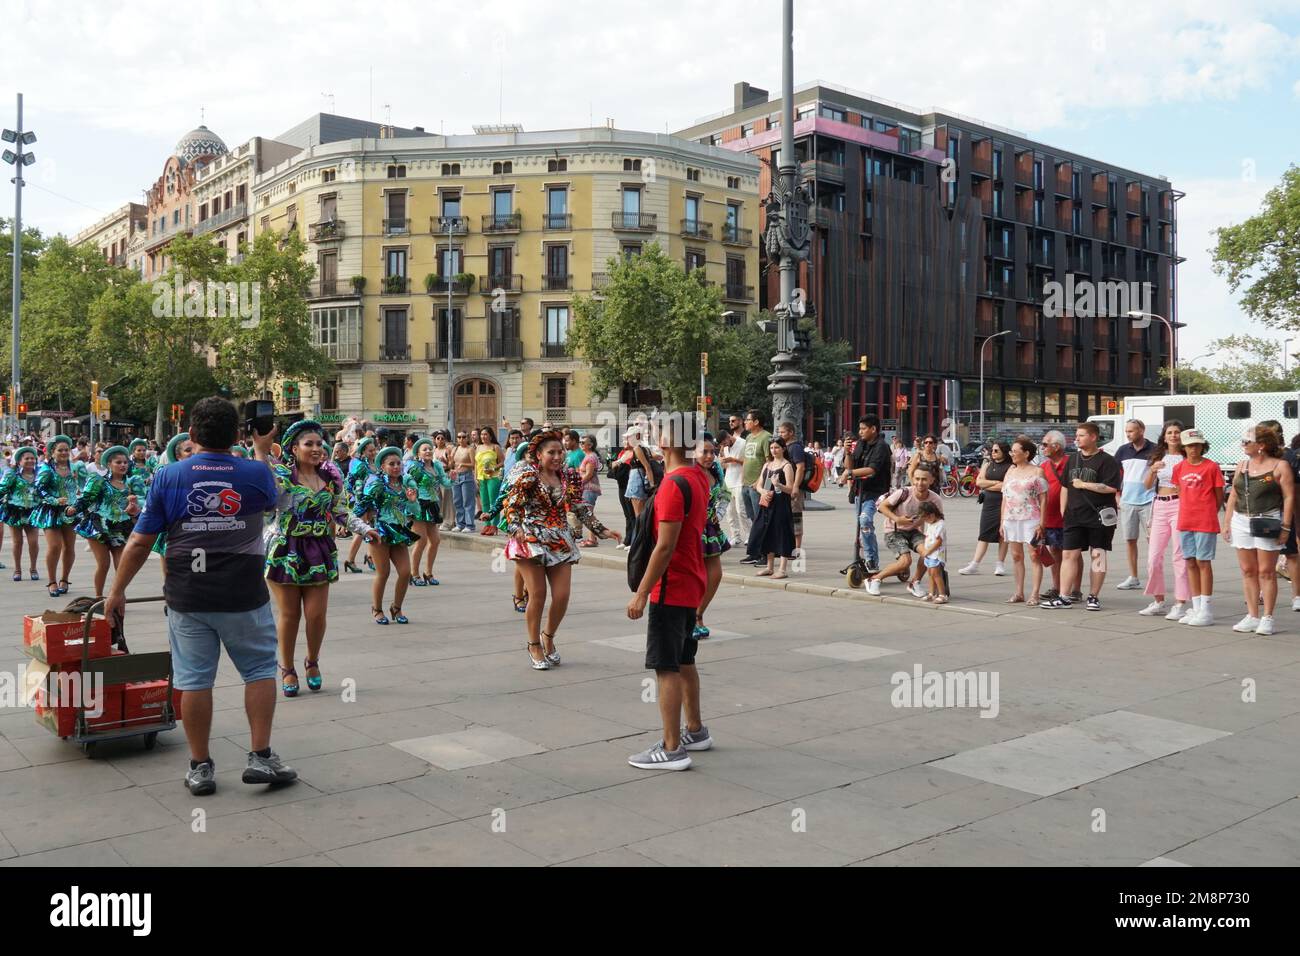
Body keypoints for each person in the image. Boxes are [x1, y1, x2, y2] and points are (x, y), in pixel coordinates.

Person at [105, 396, 295, 797]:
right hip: (244, 594)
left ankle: (200, 767)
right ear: (237, 435)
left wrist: (117, 591)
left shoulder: (169, 476)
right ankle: (261, 756)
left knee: (193, 680)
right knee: (260, 671)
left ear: (191, 434)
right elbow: (279, 501)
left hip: (187, 595)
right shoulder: (254, 474)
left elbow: (139, 542)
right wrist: (261, 451)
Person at [264, 421, 378, 696]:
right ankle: (287, 668)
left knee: (316, 615)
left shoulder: (331, 477)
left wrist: (364, 529)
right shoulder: (282, 477)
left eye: (319, 444)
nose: (316, 449)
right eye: (309, 444)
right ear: (294, 448)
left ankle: (312, 661)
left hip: (319, 549)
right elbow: (267, 501)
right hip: (286, 549)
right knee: (290, 615)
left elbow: (341, 511)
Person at [626, 414, 712, 771]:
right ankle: (695, 729)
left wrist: (641, 593)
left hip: (670, 587)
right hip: (692, 582)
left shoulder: (674, 485)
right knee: (685, 659)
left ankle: (672, 747)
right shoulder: (699, 478)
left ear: (667, 442)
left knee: (665, 667)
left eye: (658, 432)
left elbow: (664, 546)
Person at [503, 430, 620, 669]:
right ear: (538, 454)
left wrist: (602, 530)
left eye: (560, 451)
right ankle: (533, 644)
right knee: (537, 594)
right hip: (531, 538)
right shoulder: (527, 475)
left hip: (559, 538)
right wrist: (517, 529)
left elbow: (578, 506)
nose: (557, 456)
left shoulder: (568, 476)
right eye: (551, 452)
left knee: (562, 595)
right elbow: (512, 505)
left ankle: (548, 637)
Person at [1222, 423, 1294, 635]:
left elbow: (1289, 497)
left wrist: (1286, 527)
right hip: (1241, 520)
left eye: (1247, 442)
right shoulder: (1242, 465)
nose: (1243, 445)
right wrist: (1227, 522)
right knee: (1247, 570)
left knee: (1266, 571)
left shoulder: (1280, 466)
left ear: (1261, 445)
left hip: (1268, 520)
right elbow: (1233, 494)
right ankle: (1252, 615)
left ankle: (1268, 617)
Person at [1042, 422, 1122, 611]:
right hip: (1074, 516)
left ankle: (1093, 596)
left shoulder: (1107, 461)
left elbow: (1112, 487)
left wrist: (1085, 485)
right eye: (1077, 435)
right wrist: (1064, 509)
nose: (1076, 438)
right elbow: (1065, 486)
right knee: (1069, 554)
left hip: (1099, 516)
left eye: (1081, 435)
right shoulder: (1073, 459)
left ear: (1093, 437)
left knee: (1098, 554)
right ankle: (1064, 596)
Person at [68, 446, 146, 599]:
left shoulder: (131, 484)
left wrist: (134, 506)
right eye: (118, 462)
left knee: (122, 565)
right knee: (103, 564)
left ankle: (118, 595)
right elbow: (86, 499)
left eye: (125, 462)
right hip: (99, 525)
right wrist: (73, 509)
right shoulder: (99, 481)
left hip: (121, 526)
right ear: (109, 464)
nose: (123, 465)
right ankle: (98, 597)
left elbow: (143, 502)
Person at [356, 447, 420, 625]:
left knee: (405, 572)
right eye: (391, 464)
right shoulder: (377, 484)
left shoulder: (406, 484)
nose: (396, 467)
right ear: (382, 466)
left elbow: (415, 511)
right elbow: (362, 505)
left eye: (399, 463)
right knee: (383, 573)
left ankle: (396, 607)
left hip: (399, 531)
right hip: (381, 532)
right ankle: (376, 609)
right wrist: (356, 525)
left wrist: (413, 501)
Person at [1172, 430, 1224, 627]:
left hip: (1205, 521)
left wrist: (1209, 511)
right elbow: (1180, 490)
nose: (1194, 449)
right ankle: (1196, 605)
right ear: (1183, 447)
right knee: (1190, 562)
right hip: (1185, 520)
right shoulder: (1179, 467)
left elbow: (1219, 495)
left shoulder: (1211, 467)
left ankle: (1206, 608)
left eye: (1197, 445)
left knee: (1204, 562)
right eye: (1190, 445)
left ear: (1203, 446)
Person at [1139, 421, 1190, 620]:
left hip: (1179, 505)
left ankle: (1180, 603)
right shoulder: (1158, 456)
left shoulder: (1187, 457)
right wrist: (1152, 470)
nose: (1174, 435)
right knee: (1153, 557)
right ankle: (1158, 600)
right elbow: (1146, 486)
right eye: (1170, 432)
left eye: (1177, 432)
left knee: (1179, 556)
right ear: (1164, 436)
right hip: (1159, 504)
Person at [867, 469, 942, 597]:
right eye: (917, 479)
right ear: (913, 479)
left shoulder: (935, 499)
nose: (920, 483)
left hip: (914, 531)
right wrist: (897, 519)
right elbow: (882, 506)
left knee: (929, 553)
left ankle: (914, 583)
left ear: (931, 480)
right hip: (894, 531)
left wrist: (932, 538)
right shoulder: (904, 492)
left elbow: (937, 521)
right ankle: (874, 579)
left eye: (924, 479)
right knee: (905, 562)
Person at [837, 415, 891, 574]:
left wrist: (848, 473)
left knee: (865, 520)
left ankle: (871, 559)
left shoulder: (882, 447)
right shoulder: (860, 444)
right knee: (863, 526)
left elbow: (872, 470)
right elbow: (850, 465)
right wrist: (847, 452)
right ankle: (866, 558)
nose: (860, 432)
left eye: (863, 429)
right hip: (859, 491)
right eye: (859, 429)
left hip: (875, 492)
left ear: (873, 429)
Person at [999, 436, 1048, 605]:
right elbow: (1005, 498)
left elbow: (1043, 499)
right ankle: (1018, 592)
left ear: (1026, 453)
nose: (1011, 454)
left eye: (1015, 451)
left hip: (1031, 518)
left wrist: (1042, 523)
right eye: (1011, 451)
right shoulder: (1010, 471)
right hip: (1011, 518)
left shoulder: (1037, 471)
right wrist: (1002, 521)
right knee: (1016, 556)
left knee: (1034, 555)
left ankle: (1035, 593)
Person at [32, 435, 80, 598]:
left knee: (69, 547)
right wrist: (54, 499)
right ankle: (52, 581)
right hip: (51, 512)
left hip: (70, 511)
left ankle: (64, 580)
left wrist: (78, 500)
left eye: (67, 450)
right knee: (55, 546)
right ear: (52, 452)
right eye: (60, 450)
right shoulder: (46, 470)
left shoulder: (74, 468)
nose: (64, 453)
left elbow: (80, 487)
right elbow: (38, 489)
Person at [694, 435, 730, 639]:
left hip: (710, 529)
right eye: (704, 452)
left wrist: (719, 513)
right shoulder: (689, 472)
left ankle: (698, 614)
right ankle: (689, 617)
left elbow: (725, 494)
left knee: (715, 575)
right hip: (691, 529)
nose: (709, 456)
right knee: (694, 576)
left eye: (712, 452)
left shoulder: (716, 471)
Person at [957, 439, 1011, 576]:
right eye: (992, 450)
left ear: (1004, 451)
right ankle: (974, 564)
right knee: (984, 534)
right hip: (989, 502)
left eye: (996, 450)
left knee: (1003, 535)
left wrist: (991, 484)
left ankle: (1000, 564)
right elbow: (979, 482)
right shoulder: (987, 464)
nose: (993, 453)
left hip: (1004, 502)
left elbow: (1006, 485)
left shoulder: (1011, 466)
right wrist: (995, 482)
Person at [1115, 419, 1157, 590]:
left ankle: (1154, 576)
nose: (1128, 434)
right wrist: (1117, 495)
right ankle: (1133, 577)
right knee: (1130, 540)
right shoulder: (1123, 450)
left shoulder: (1155, 450)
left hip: (1149, 500)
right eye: (1127, 431)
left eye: (1131, 431)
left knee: (1152, 541)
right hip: (1128, 502)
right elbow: (1115, 473)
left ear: (1142, 430)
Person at [748, 437, 796, 579]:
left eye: (776, 448)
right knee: (766, 533)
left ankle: (782, 568)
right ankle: (769, 567)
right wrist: (763, 491)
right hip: (767, 503)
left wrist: (778, 485)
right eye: (771, 448)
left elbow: (791, 488)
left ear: (783, 449)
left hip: (781, 504)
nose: (774, 451)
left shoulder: (787, 466)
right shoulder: (767, 465)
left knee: (782, 534)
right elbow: (758, 485)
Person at [406, 438, 451, 586]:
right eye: (424, 449)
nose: (428, 451)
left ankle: (428, 573)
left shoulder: (436, 465)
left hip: (432, 504)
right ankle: (414, 574)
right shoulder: (414, 466)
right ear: (418, 452)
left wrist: (453, 479)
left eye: (430, 449)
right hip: (418, 504)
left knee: (436, 540)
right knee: (421, 541)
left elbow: (445, 483)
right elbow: (405, 480)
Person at [1038, 430, 1070, 602]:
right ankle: (1057, 587)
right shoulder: (1043, 466)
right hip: (1050, 517)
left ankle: (1075, 589)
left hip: (1068, 517)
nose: (1042, 448)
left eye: (1045, 444)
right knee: (1054, 552)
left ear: (1056, 446)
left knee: (1072, 554)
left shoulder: (1071, 463)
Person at [1, 446, 41, 580]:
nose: (30, 460)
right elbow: (2, 489)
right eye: (26, 458)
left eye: (32, 458)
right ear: (19, 461)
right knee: (17, 542)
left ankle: (33, 568)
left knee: (33, 542)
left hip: (32, 512)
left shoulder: (40, 474)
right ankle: (17, 570)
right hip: (15, 511)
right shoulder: (12, 474)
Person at [344, 436, 379, 572]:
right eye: (370, 451)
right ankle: (350, 560)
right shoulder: (359, 464)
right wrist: (352, 495)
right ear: (363, 451)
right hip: (362, 500)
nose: (373, 452)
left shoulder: (375, 463)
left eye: (374, 450)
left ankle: (370, 556)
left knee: (370, 528)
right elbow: (350, 481)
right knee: (361, 530)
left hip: (373, 501)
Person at [776, 422, 807, 555]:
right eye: (779, 432)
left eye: (783, 432)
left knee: (796, 517)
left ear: (791, 433)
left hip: (794, 489)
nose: (780, 434)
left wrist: (795, 486)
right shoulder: (785, 447)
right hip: (784, 487)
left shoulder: (795, 448)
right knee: (784, 517)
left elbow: (800, 467)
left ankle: (796, 549)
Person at [739, 409, 771, 533]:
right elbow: (746, 459)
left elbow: (769, 463)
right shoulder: (748, 437)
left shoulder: (766, 437)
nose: (745, 422)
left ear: (756, 422)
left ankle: (763, 547)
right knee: (751, 516)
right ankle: (757, 542)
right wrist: (742, 479)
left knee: (761, 517)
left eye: (748, 420)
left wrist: (759, 482)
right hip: (746, 484)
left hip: (758, 485)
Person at [720, 425, 749, 546]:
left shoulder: (743, 443)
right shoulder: (725, 448)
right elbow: (727, 466)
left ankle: (749, 535)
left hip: (740, 481)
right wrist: (723, 461)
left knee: (741, 510)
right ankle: (735, 536)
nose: (724, 445)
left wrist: (734, 460)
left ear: (728, 436)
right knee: (730, 511)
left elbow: (748, 461)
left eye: (724, 442)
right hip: (729, 481)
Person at [916, 500, 948, 604]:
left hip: (936, 554)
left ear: (932, 515)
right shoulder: (931, 523)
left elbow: (939, 542)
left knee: (936, 574)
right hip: (930, 554)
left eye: (926, 518)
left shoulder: (940, 524)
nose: (926, 521)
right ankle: (931, 593)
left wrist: (928, 551)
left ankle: (942, 594)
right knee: (930, 573)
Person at [475, 427, 504, 535]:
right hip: (481, 478)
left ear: (491, 436)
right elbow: (476, 464)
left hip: (493, 478)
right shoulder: (478, 447)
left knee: (493, 503)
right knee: (485, 503)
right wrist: (476, 477)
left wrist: (493, 468)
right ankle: (486, 525)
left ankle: (493, 525)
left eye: (486, 434)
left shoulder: (495, 447)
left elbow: (502, 462)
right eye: (482, 434)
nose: (483, 436)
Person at [577, 434, 603, 547]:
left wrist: (577, 483)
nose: (581, 444)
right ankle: (593, 538)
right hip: (587, 488)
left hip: (589, 488)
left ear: (590, 445)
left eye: (583, 442)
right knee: (588, 514)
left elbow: (588, 475)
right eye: (580, 442)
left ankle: (593, 539)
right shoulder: (588, 455)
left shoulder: (591, 457)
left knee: (588, 514)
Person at [449, 428, 477, 532]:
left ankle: (470, 525)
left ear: (467, 438)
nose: (461, 439)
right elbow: (451, 464)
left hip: (467, 476)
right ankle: (460, 524)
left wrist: (463, 464)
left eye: (463, 437)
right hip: (456, 476)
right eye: (459, 437)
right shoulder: (455, 449)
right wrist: (449, 461)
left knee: (468, 501)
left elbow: (474, 465)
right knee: (457, 501)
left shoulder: (470, 449)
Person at [432, 430, 456, 533]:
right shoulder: (433, 450)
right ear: (435, 440)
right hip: (435, 477)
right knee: (437, 500)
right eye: (438, 438)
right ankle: (439, 519)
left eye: (442, 438)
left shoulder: (447, 450)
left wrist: (445, 461)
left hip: (445, 474)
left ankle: (448, 521)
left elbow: (452, 465)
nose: (440, 440)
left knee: (447, 499)